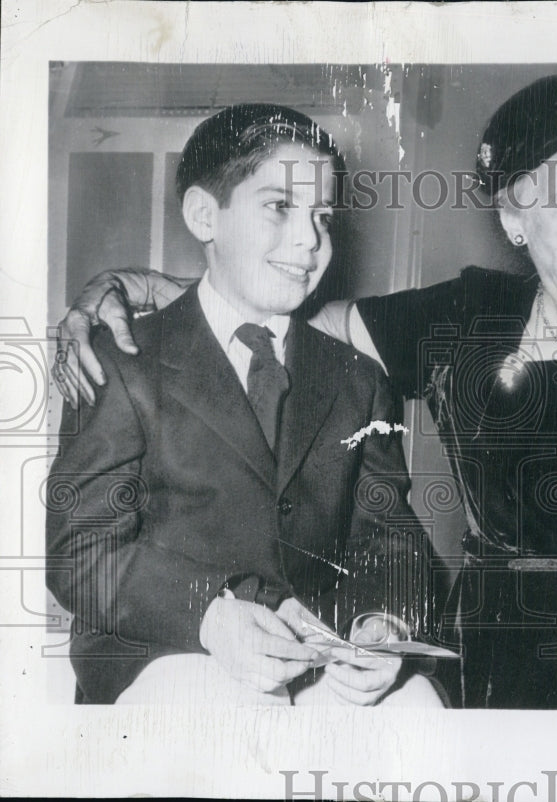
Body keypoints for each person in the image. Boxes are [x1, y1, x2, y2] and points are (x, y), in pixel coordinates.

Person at [55, 74, 557, 710]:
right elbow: (271, 310)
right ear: (515, 218)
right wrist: (128, 289)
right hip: (501, 657)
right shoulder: (469, 314)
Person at [46, 104, 440, 706]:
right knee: (230, 711)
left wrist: (381, 622)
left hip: (314, 657)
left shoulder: (358, 380)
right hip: (167, 651)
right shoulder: (123, 361)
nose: (311, 240)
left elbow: (391, 539)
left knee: (416, 708)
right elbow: (80, 552)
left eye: (323, 216)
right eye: (280, 207)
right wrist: (208, 614)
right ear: (205, 215)